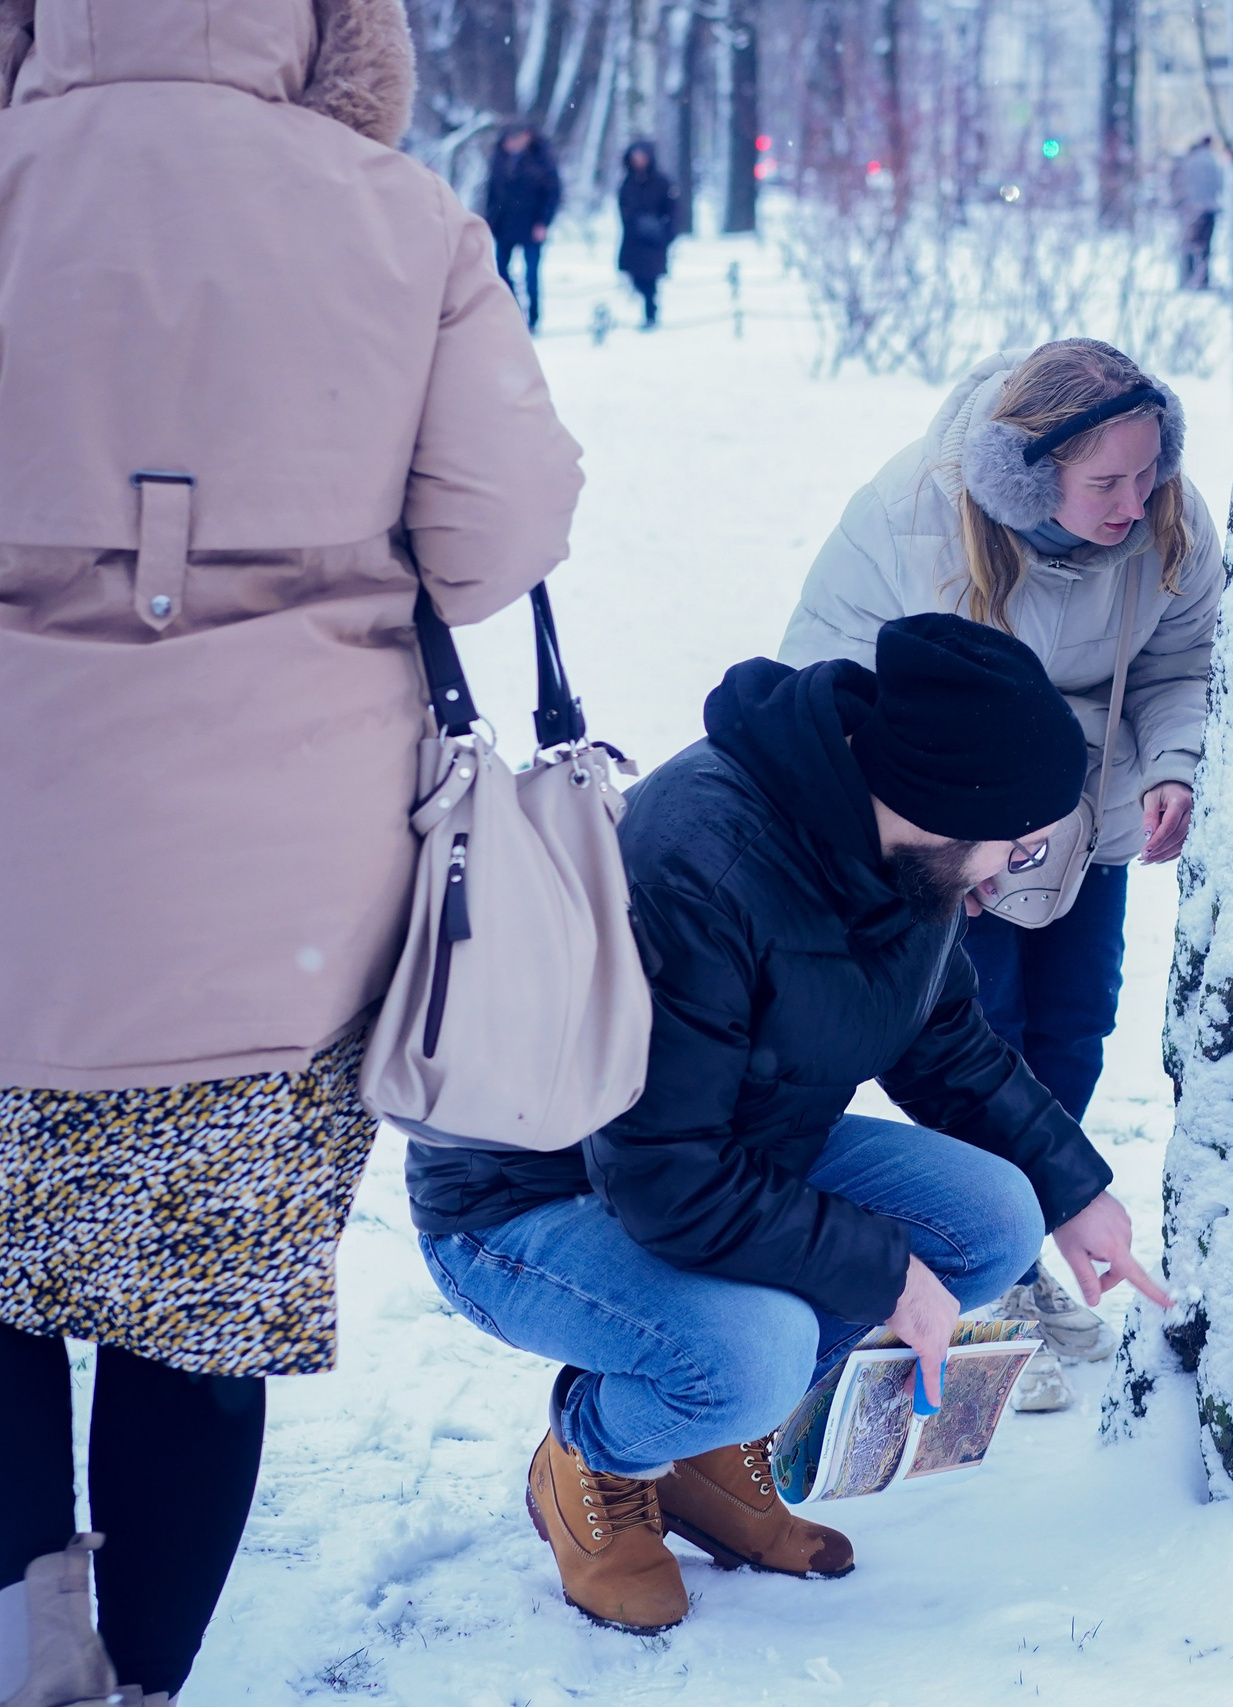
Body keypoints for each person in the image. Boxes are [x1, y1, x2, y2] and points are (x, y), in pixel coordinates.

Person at [0, 0, 584, 1698]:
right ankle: (144, 1677)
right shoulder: (398, 216)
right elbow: (496, 540)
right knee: (199, 1315)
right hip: (274, 906)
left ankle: (33, 1651)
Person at [408, 617, 1174, 1634]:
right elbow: (663, 1178)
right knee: (754, 1353)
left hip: (727, 1146)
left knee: (994, 1217)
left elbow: (943, 1040)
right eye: (1018, 842)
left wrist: (1074, 1189)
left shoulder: (902, 848)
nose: (1010, 870)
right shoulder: (703, 866)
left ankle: (708, 1452)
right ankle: (594, 1454)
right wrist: (884, 1273)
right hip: (528, 1198)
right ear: (946, 803)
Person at [780, 339, 1220, 1409]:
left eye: (1148, 471)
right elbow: (834, 676)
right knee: (983, 1035)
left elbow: (1184, 657)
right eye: (1105, 482)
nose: (1135, 501)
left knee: (1073, 1027)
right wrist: (931, 835)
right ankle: (984, 1277)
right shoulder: (916, 515)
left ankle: (1023, 1249)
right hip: (950, 817)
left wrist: (1173, 763)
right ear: (1028, 476)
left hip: (1089, 810)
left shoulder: (1166, 514)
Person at [485, 119, 560, 330]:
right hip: (504, 225)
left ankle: (533, 317)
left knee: (531, 274)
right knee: (501, 270)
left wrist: (543, 222)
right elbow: (493, 192)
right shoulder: (500, 160)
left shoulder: (542, 160)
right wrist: (490, 219)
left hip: (531, 225)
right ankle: (513, 312)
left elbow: (552, 194)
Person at [617, 140, 678, 330]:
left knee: (650, 278)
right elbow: (624, 208)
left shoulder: (661, 182)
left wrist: (666, 232)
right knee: (636, 275)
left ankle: (650, 314)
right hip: (634, 239)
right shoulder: (628, 182)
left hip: (654, 240)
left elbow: (673, 209)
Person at [1175, 134, 1225, 291]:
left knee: (1188, 244)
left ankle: (1187, 278)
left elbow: (1181, 184)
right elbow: (1219, 184)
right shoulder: (1213, 160)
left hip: (1191, 209)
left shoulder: (1189, 160)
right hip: (1209, 209)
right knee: (1205, 245)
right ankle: (1203, 279)